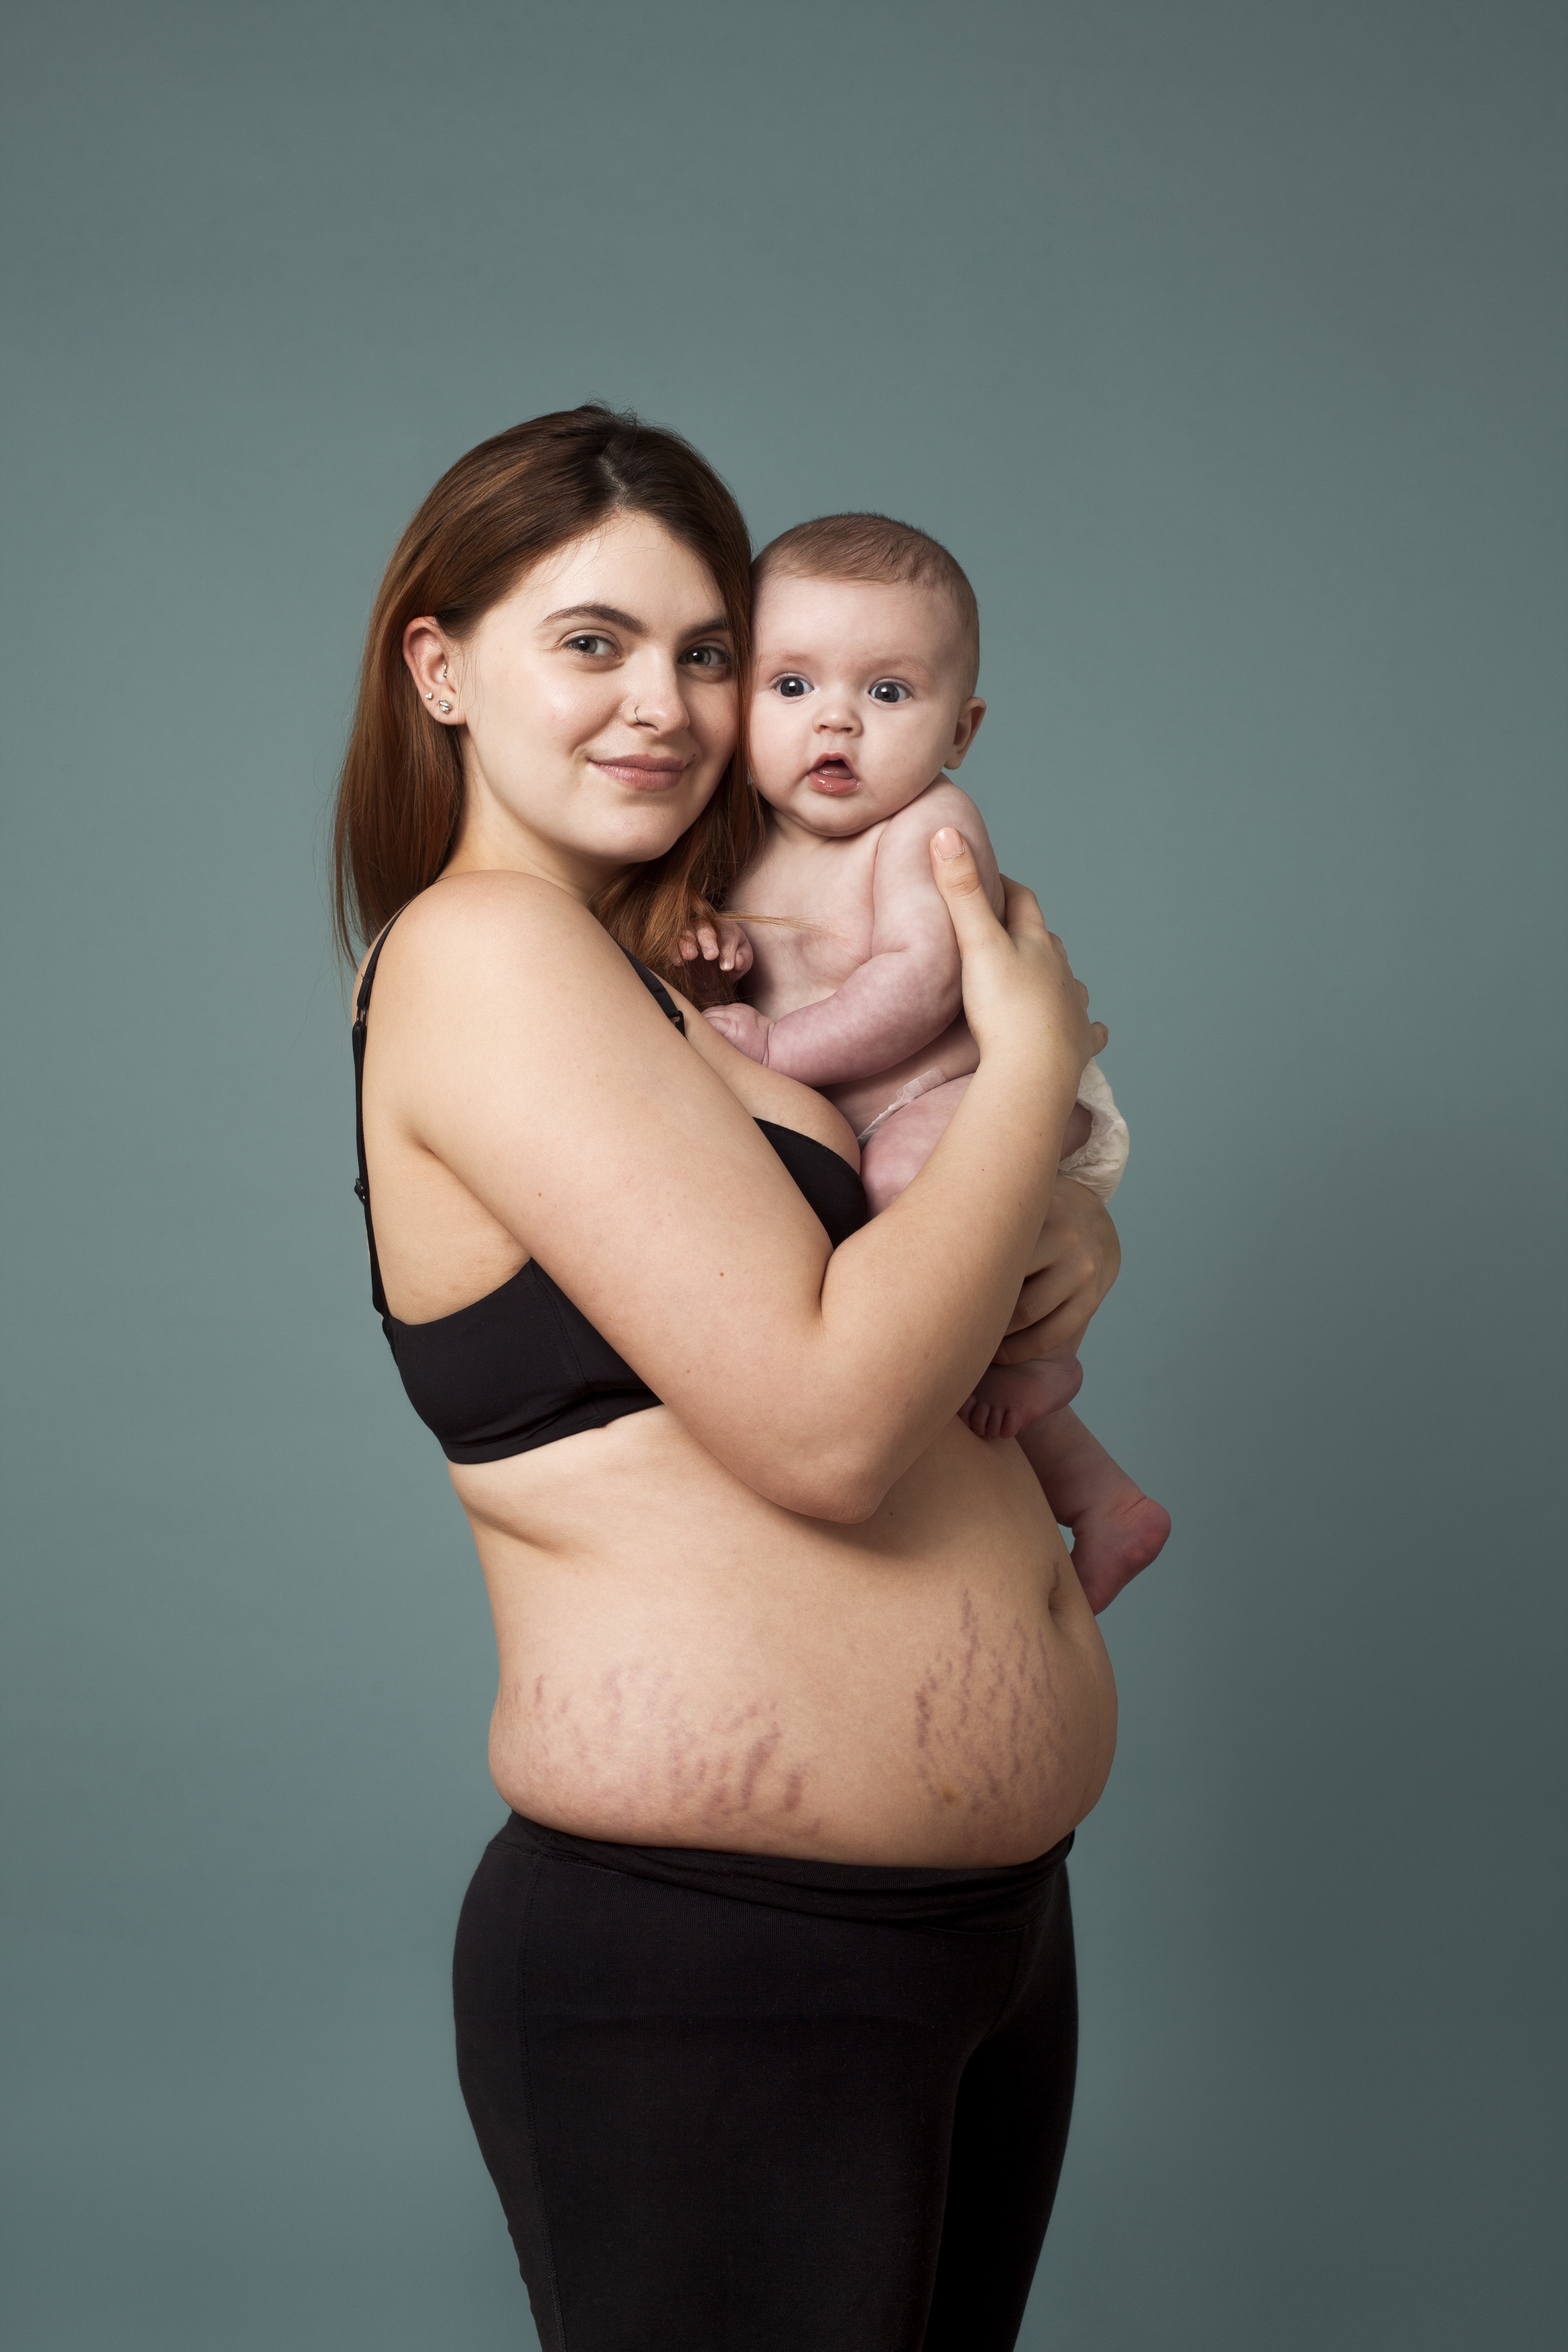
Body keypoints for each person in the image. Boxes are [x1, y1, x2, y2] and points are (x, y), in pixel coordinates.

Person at [335, 405, 1125, 2352]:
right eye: (590, 642)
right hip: (720, 1958)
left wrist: (1064, 1228)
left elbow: (940, 1288)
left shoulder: (689, 984)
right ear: (441, 669)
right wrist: (1034, 1068)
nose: (665, 705)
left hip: (975, 1934)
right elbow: (834, 1423)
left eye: (706, 651)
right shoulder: (484, 953)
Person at [688, 511, 1170, 1613]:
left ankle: (1040, 1362)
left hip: (954, 1092)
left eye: (890, 694)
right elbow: (756, 949)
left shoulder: (928, 830)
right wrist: (717, 950)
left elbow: (917, 987)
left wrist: (772, 1045)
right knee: (926, 1330)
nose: (838, 725)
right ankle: (1099, 1493)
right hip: (877, 1116)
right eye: (793, 687)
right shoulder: (740, 838)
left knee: (911, 1193)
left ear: (962, 729)